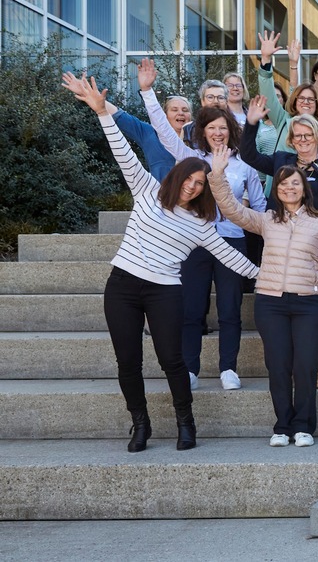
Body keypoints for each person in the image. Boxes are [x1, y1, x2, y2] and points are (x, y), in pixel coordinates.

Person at [65, 74, 258, 453]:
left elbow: (230, 257)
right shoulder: (147, 190)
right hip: (122, 286)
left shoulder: (201, 224)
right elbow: (122, 148)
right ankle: (140, 424)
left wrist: (269, 275)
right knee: (128, 363)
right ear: (178, 174)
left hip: (165, 292)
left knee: (172, 360)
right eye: (190, 179)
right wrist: (102, 112)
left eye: (201, 185)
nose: (193, 186)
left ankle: (187, 423)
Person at [135, 59, 267, 392]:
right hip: (195, 242)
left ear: (230, 130)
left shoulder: (245, 167)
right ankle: (190, 368)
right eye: (212, 128)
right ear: (203, 132)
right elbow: (164, 132)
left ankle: (228, 368)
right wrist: (148, 92)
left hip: (232, 243)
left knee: (229, 309)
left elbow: (261, 210)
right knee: (192, 308)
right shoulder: (190, 158)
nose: (218, 132)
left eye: (223, 127)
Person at [209, 144, 318, 448]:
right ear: (278, 189)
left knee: (306, 365)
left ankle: (304, 425)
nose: (289, 187)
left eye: (295, 182)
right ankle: (283, 425)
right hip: (271, 302)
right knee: (278, 364)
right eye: (283, 183)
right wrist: (217, 175)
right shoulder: (267, 219)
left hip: (309, 302)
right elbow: (232, 209)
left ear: (304, 188)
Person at [240, 100, 318, 390]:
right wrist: (251, 123)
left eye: (308, 135)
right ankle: (296, 366)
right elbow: (248, 154)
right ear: (291, 139)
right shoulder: (281, 161)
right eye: (298, 136)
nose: (303, 140)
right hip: (287, 247)